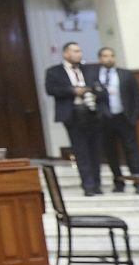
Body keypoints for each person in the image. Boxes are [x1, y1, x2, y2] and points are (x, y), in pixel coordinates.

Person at [45, 42, 107, 196]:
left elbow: (101, 88)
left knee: (95, 150)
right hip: (72, 115)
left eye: (80, 51)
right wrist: (72, 91)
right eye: (75, 51)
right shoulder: (54, 72)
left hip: (92, 113)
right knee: (81, 151)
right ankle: (88, 185)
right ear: (66, 54)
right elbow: (51, 90)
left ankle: (97, 184)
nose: (79, 54)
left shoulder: (90, 69)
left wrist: (91, 91)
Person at [96, 47, 139, 194]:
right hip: (104, 120)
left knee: (132, 151)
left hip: (124, 118)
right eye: (105, 56)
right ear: (100, 59)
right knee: (111, 153)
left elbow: (136, 96)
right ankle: (119, 182)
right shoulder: (94, 75)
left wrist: (135, 115)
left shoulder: (125, 74)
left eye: (112, 55)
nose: (109, 59)